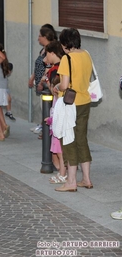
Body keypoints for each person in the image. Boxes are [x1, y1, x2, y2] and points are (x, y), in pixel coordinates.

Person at [53, 28, 93, 192]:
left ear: (64, 44)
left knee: (68, 140)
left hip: (71, 104)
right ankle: (86, 179)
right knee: (82, 139)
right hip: (85, 101)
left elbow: (64, 85)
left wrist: (56, 86)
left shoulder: (66, 59)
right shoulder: (86, 55)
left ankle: (71, 182)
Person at [42, 41, 66, 184]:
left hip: (58, 110)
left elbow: (55, 92)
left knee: (58, 147)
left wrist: (47, 81)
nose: (45, 58)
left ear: (52, 53)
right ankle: (62, 171)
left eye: (46, 54)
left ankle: (62, 172)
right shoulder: (62, 66)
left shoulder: (55, 70)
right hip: (58, 111)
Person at [28, 24, 57, 135]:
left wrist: (42, 81)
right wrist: (32, 78)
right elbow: (38, 66)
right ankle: (43, 126)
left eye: (40, 36)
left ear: (45, 37)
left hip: (46, 83)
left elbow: (48, 68)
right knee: (43, 105)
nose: (38, 38)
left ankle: (46, 129)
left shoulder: (51, 50)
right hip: (41, 82)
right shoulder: (43, 50)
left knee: (46, 106)